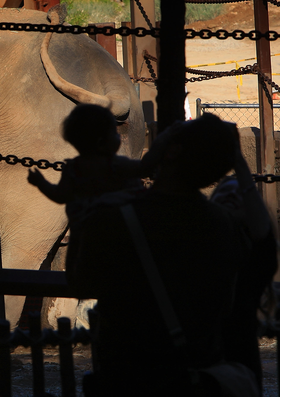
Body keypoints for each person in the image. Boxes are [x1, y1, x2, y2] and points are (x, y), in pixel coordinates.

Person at [66, 113, 250, 396]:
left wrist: (79, 213)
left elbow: (80, 283)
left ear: (173, 151)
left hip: (128, 376)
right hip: (193, 377)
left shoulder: (114, 218)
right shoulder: (224, 225)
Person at [27, 103, 146, 329]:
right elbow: (148, 168)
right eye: (115, 132)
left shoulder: (74, 168)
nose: (119, 137)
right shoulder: (120, 166)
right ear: (102, 141)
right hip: (120, 243)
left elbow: (60, 196)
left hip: (84, 243)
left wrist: (40, 183)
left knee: (87, 284)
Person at [210, 141, 279, 396]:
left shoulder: (255, 259)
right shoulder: (198, 245)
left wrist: (239, 163)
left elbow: (262, 236)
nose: (231, 192)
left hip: (237, 366)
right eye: (223, 190)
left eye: (239, 192)